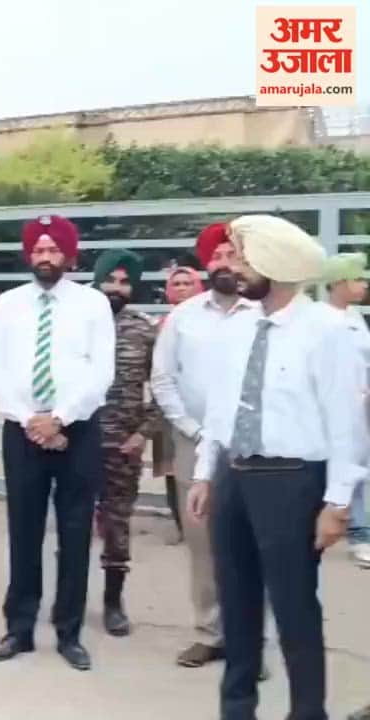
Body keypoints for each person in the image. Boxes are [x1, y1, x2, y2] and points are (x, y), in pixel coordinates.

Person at [186, 214, 363, 720]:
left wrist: (337, 502)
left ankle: (308, 712)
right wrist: (204, 473)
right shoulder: (238, 326)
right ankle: (237, 708)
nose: (234, 268)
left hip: (291, 481)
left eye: (242, 258)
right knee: (236, 605)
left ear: (275, 264)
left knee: (294, 607)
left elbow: (345, 421)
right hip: (234, 478)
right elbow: (221, 408)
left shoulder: (326, 330)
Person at [0, 214, 115, 671]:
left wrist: (59, 418)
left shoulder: (93, 305)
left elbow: (101, 374)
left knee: (76, 533)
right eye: (38, 250)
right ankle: (19, 628)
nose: (45, 257)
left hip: (77, 430)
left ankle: (69, 632)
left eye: (53, 249)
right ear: (28, 255)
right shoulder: (6, 305)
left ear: (68, 255)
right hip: (21, 430)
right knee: (24, 530)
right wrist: (31, 420)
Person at [151, 222, 258, 670]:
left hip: (253, 446)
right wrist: (192, 429)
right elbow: (163, 378)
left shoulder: (261, 314)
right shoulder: (184, 317)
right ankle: (210, 633)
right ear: (205, 264)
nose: (224, 264)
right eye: (217, 256)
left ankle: (250, 639)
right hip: (194, 442)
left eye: (233, 256)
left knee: (252, 542)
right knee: (203, 543)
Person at [91, 249, 159, 637]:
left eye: (124, 282)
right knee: (70, 524)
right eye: (110, 280)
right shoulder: (77, 320)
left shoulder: (143, 329)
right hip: (76, 443)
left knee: (117, 524)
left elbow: (164, 388)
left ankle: (113, 603)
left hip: (122, 446)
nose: (117, 288)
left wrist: (142, 433)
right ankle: (68, 599)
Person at [322, 252, 370, 569]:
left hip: (361, 406)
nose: (364, 284)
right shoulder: (320, 319)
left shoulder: (356, 318)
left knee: (362, 468)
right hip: (331, 407)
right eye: (358, 278)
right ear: (339, 282)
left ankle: (360, 533)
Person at [153, 263, 204, 544]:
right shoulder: (161, 325)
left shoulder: (209, 320)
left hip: (200, 407)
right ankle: (183, 526)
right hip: (168, 408)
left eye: (188, 283)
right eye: (177, 284)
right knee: (172, 468)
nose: (182, 289)